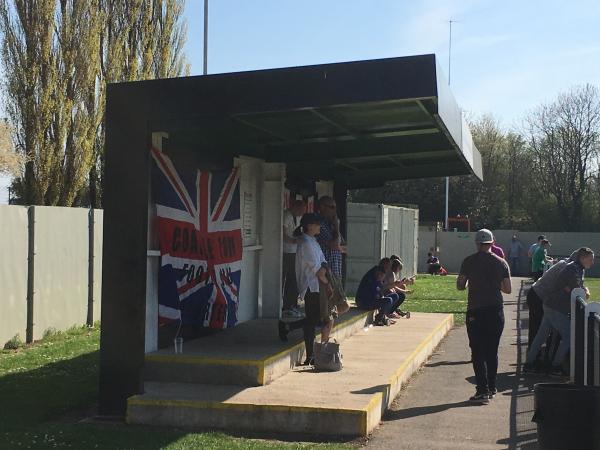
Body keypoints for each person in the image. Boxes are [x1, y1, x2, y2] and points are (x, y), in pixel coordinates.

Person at [457, 228, 511, 404]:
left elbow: (460, 285)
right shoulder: (501, 262)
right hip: (495, 310)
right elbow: (507, 289)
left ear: (477, 243)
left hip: (476, 310)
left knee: (478, 351)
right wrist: (494, 285)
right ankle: (492, 387)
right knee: (492, 350)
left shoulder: (468, 261)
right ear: (492, 243)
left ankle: (482, 390)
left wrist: (471, 283)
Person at [524, 247, 594, 376]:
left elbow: (574, 288)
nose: (592, 262)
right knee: (569, 337)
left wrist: (579, 289)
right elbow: (577, 291)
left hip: (550, 304)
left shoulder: (573, 267)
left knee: (541, 336)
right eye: (590, 259)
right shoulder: (573, 269)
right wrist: (584, 291)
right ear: (583, 258)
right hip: (555, 307)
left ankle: (529, 364)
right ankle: (555, 366)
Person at [278, 213, 334, 365]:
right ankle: (310, 355)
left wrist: (325, 270)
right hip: (312, 286)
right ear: (309, 226)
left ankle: (287, 326)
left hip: (317, 285)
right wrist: (328, 284)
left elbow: (323, 261)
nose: (319, 227)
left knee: (314, 318)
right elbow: (318, 270)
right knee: (313, 320)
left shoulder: (312, 241)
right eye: (317, 224)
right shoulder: (306, 243)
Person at [525, 251, 577, 356]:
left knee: (538, 328)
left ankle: (533, 356)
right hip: (538, 296)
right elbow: (566, 286)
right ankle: (535, 357)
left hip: (536, 294)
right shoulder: (566, 267)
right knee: (536, 327)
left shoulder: (563, 263)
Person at [356, 259, 403, 325]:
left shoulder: (380, 272)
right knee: (388, 300)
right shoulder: (375, 274)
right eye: (388, 267)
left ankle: (383, 317)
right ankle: (379, 319)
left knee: (395, 296)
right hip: (364, 301)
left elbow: (381, 290)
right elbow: (377, 294)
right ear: (384, 265)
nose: (389, 269)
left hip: (372, 298)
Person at [281, 199, 307, 318]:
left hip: (293, 251)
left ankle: (291, 304)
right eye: (301, 210)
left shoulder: (295, 217)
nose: (302, 213)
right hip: (287, 251)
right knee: (292, 278)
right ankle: (287, 305)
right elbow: (282, 233)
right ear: (296, 207)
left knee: (294, 278)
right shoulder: (287, 215)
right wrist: (293, 241)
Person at [316, 196, 346, 279]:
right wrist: (336, 227)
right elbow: (335, 245)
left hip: (336, 271)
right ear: (322, 207)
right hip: (326, 272)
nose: (335, 211)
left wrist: (335, 227)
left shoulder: (331, 224)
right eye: (332, 207)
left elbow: (344, 246)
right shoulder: (319, 224)